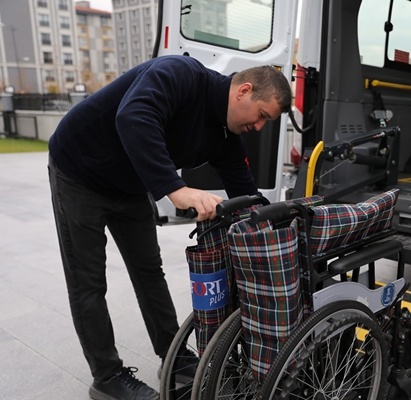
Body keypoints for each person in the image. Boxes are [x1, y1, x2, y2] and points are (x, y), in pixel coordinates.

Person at [48, 55, 292, 400]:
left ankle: (174, 358)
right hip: (79, 169)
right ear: (244, 91)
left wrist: (276, 226)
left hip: (129, 185)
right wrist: (175, 188)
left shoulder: (226, 135)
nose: (259, 127)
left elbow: (245, 193)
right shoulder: (181, 74)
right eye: (262, 116)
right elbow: (133, 115)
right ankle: (107, 377)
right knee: (88, 280)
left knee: (149, 270)